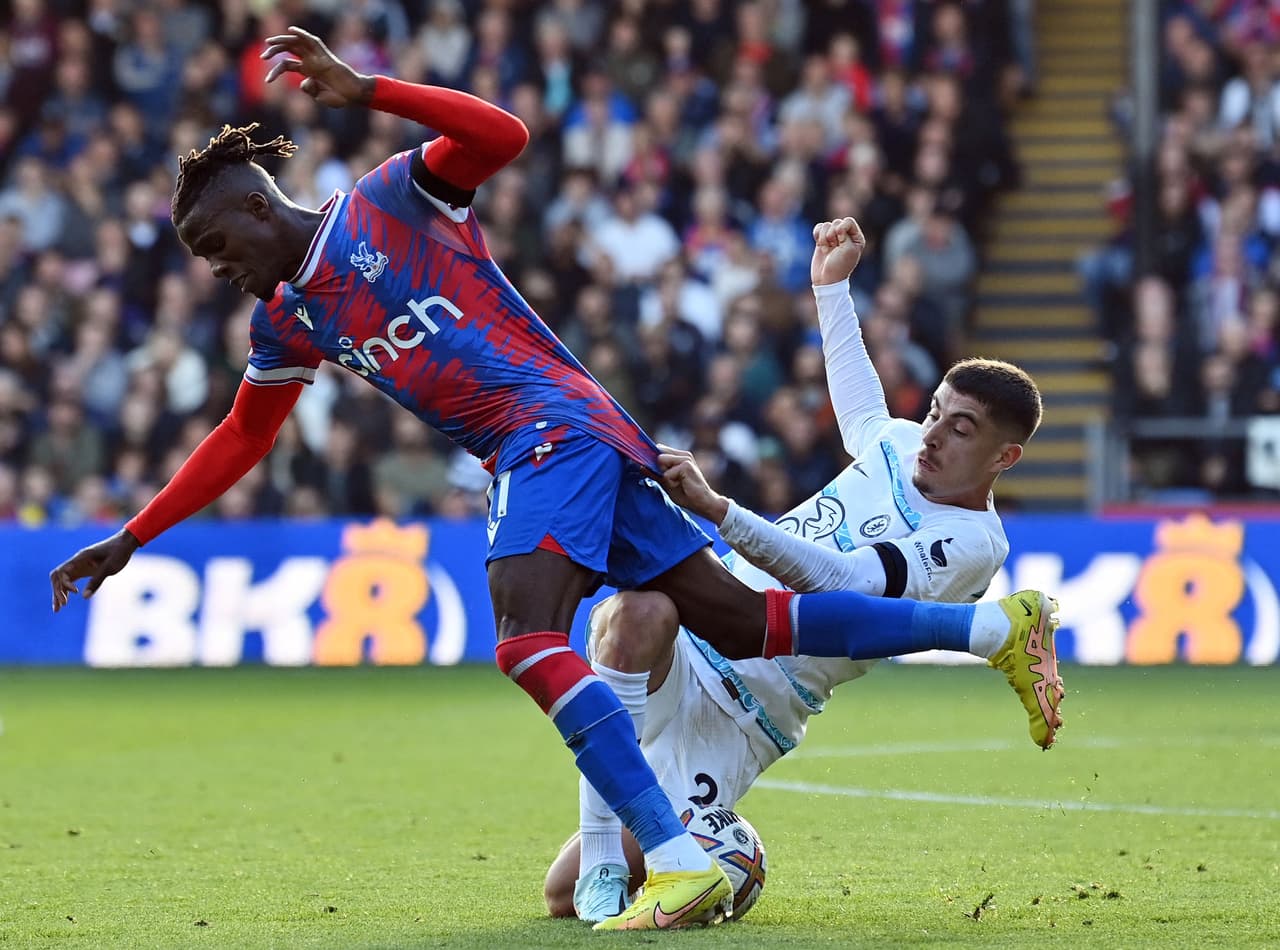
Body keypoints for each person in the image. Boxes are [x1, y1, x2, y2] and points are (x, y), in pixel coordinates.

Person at [47, 29, 1060, 931]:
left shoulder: (388, 201)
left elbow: (502, 135)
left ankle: (672, 859)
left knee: (527, 638)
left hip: (549, 430)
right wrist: (135, 534)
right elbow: (239, 433)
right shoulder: (288, 319)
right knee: (747, 623)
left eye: (217, 245)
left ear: (260, 209)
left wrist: (368, 91)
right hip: (577, 444)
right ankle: (990, 630)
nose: (216, 270)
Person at [545, 217, 1061, 922]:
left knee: (556, 899)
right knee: (636, 611)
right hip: (692, 649)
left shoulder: (974, 542)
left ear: (1005, 458)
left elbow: (843, 586)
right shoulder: (903, 442)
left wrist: (722, 512)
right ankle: (614, 856)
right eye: (937, 411)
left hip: (749, 712)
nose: (933, 435)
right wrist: (831, 289)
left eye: (961, 428)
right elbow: (862, 415)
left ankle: (732, 853)